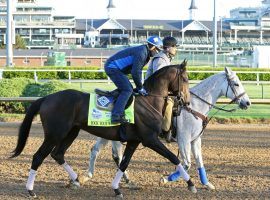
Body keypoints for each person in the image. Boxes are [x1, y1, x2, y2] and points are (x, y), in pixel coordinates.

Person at [105, 36, 163, 124]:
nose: (158, 52)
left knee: (129, 88)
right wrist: (140, 88)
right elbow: (135, 72)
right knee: (127, 90)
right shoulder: (142, 52)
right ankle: (116, 116)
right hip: (112, 67)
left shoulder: (145, 52)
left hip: (117, 68)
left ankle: (114, 94)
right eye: (158, 50)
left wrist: (139, 87)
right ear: (153, 47)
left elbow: (136, 71)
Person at [145, 36, 179, 142]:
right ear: (168, 48)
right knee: (169, 102)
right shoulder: (160, 58)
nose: (176, 49)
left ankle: (171, 129)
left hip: (158, 89)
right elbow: (159, 78)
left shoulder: (166, 58)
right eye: (174, 47)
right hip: (151, 89)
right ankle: (164, 131)